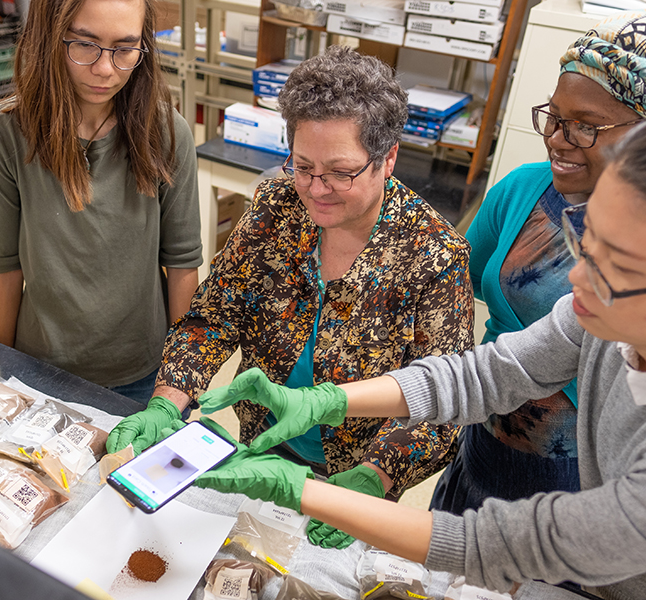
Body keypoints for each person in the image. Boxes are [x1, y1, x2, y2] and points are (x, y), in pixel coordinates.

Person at [188, 102, 646, 599]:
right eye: (586, 241)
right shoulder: (599, 319)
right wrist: (326, 401)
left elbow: (497, 543)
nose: (576, 278)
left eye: (621, 267)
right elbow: (483, 376)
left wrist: (301, 491)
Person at [107, 46, 474, 546]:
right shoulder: (275, 207)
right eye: (302, 166)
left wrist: (376, 476)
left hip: (355, 472)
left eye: (340, 173)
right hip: (260, 445)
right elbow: (213, 318)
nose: (315, 188)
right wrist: (168, 403)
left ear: (387, 158)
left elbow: (444, 399)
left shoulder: (433, 254)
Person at [432, 9, 646, 513]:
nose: (557, 137)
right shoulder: (520, 193)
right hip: (482, 457)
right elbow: (457, 314)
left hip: (581, 489)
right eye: (554, 116)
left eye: (585, 126)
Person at [0, 0, 202, 403]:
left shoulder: (167, 131)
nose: (105, 69)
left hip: (144, 369)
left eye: (125, 48)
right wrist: (5, 369)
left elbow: (183, 261)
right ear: (47, 39)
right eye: (84, 44)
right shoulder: (2, 133)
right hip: (40, 368)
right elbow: (3, 264)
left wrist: (177, 379)